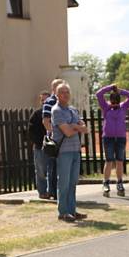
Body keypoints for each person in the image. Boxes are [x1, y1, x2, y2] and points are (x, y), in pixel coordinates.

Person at [51, 83, 89, 222]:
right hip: (64, 151)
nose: (66, 94)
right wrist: (75, 126)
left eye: (67, 92)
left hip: (75, 150)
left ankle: (72, 210)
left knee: (73, 182)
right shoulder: (56, 110)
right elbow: (66, 132)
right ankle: (63, 212)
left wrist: (74, 126)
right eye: (62, 92)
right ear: (56, 94)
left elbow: (85, 129)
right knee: (64, 183)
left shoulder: (72, 110)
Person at [96, 84, 129, 197]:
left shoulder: (123, 107)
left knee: (119, 161)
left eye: (116, 98)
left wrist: (120, 91)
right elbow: (98, 94)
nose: (114, 100)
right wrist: (109, 88)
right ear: (109, 99)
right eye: (112, 98)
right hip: (108, 138)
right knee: (108, 161)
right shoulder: (106, 107)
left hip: (121, 138)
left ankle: (119, 182)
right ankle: (106, 182)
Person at [42, 79, 66, 199]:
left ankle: (60, 191)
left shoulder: (64, 103)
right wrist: (53, 133)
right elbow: (46, 121)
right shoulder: (49, 102)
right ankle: (52, 191)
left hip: (65, 139)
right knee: (52, 166)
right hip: (55, 140)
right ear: (54, 89)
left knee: (62, 166)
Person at [28, 90, 52, 199]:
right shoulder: (36, 114)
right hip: (39, 147)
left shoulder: (55, 112)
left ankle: (52, 191)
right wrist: (38, 142)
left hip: (53, 146)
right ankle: (42, 192)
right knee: (41, 171)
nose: (44, 102)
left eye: (46, 100)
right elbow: (31, 130)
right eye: (42, 100)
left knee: (52, 170)